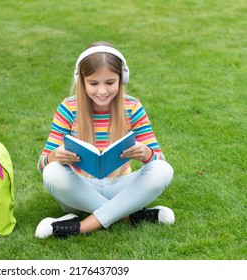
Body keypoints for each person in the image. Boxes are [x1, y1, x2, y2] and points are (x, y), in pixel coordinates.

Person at [35, 41, 175, 239]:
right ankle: (128, 215)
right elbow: (42, 166)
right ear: (81, 81)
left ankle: (81, 226)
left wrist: (146, 153)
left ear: (122, 79)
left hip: (121, 186)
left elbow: (159, 160)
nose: (102, 91)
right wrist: (55, 156)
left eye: (110, 83)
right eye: (93, 83)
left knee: (163, 170)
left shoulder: (132, 107)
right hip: (80, 189)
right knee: (52, 172)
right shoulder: (68, 108)